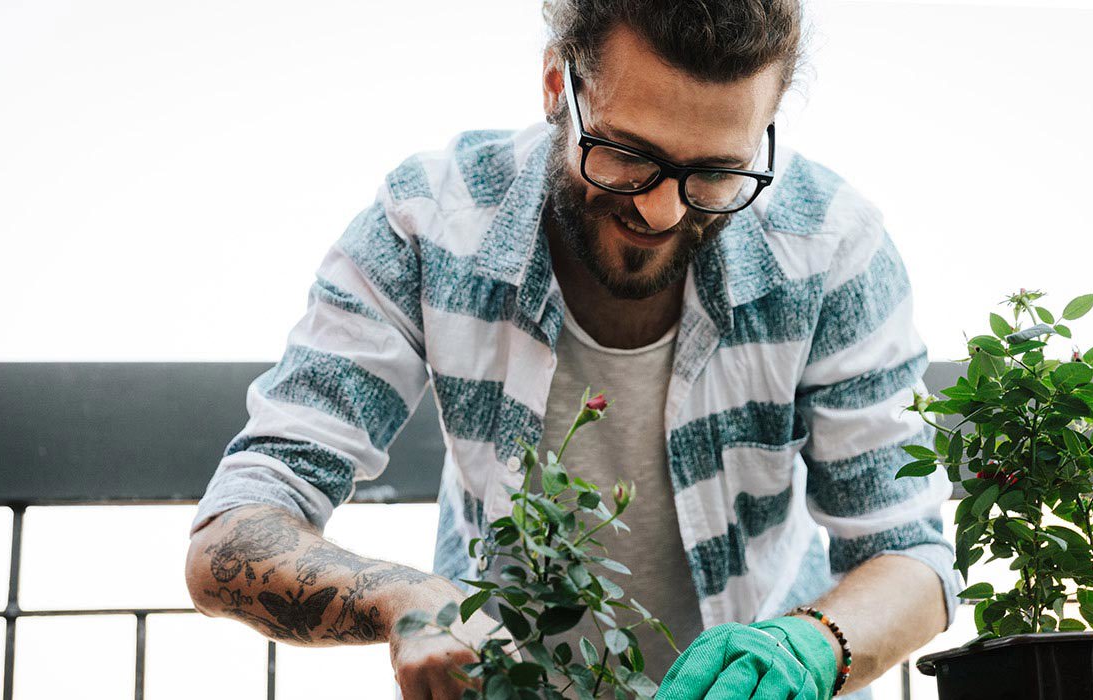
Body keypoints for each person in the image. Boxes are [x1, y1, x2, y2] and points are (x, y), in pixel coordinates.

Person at [185, 1, 960, 697]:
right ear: (558, 84)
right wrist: (410, 601)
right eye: (627, 154)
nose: (659, 210)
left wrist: (810, 646)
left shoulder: (830, 245)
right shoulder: (431, 220)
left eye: (715, 171)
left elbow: (912, 557)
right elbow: (232, 534)